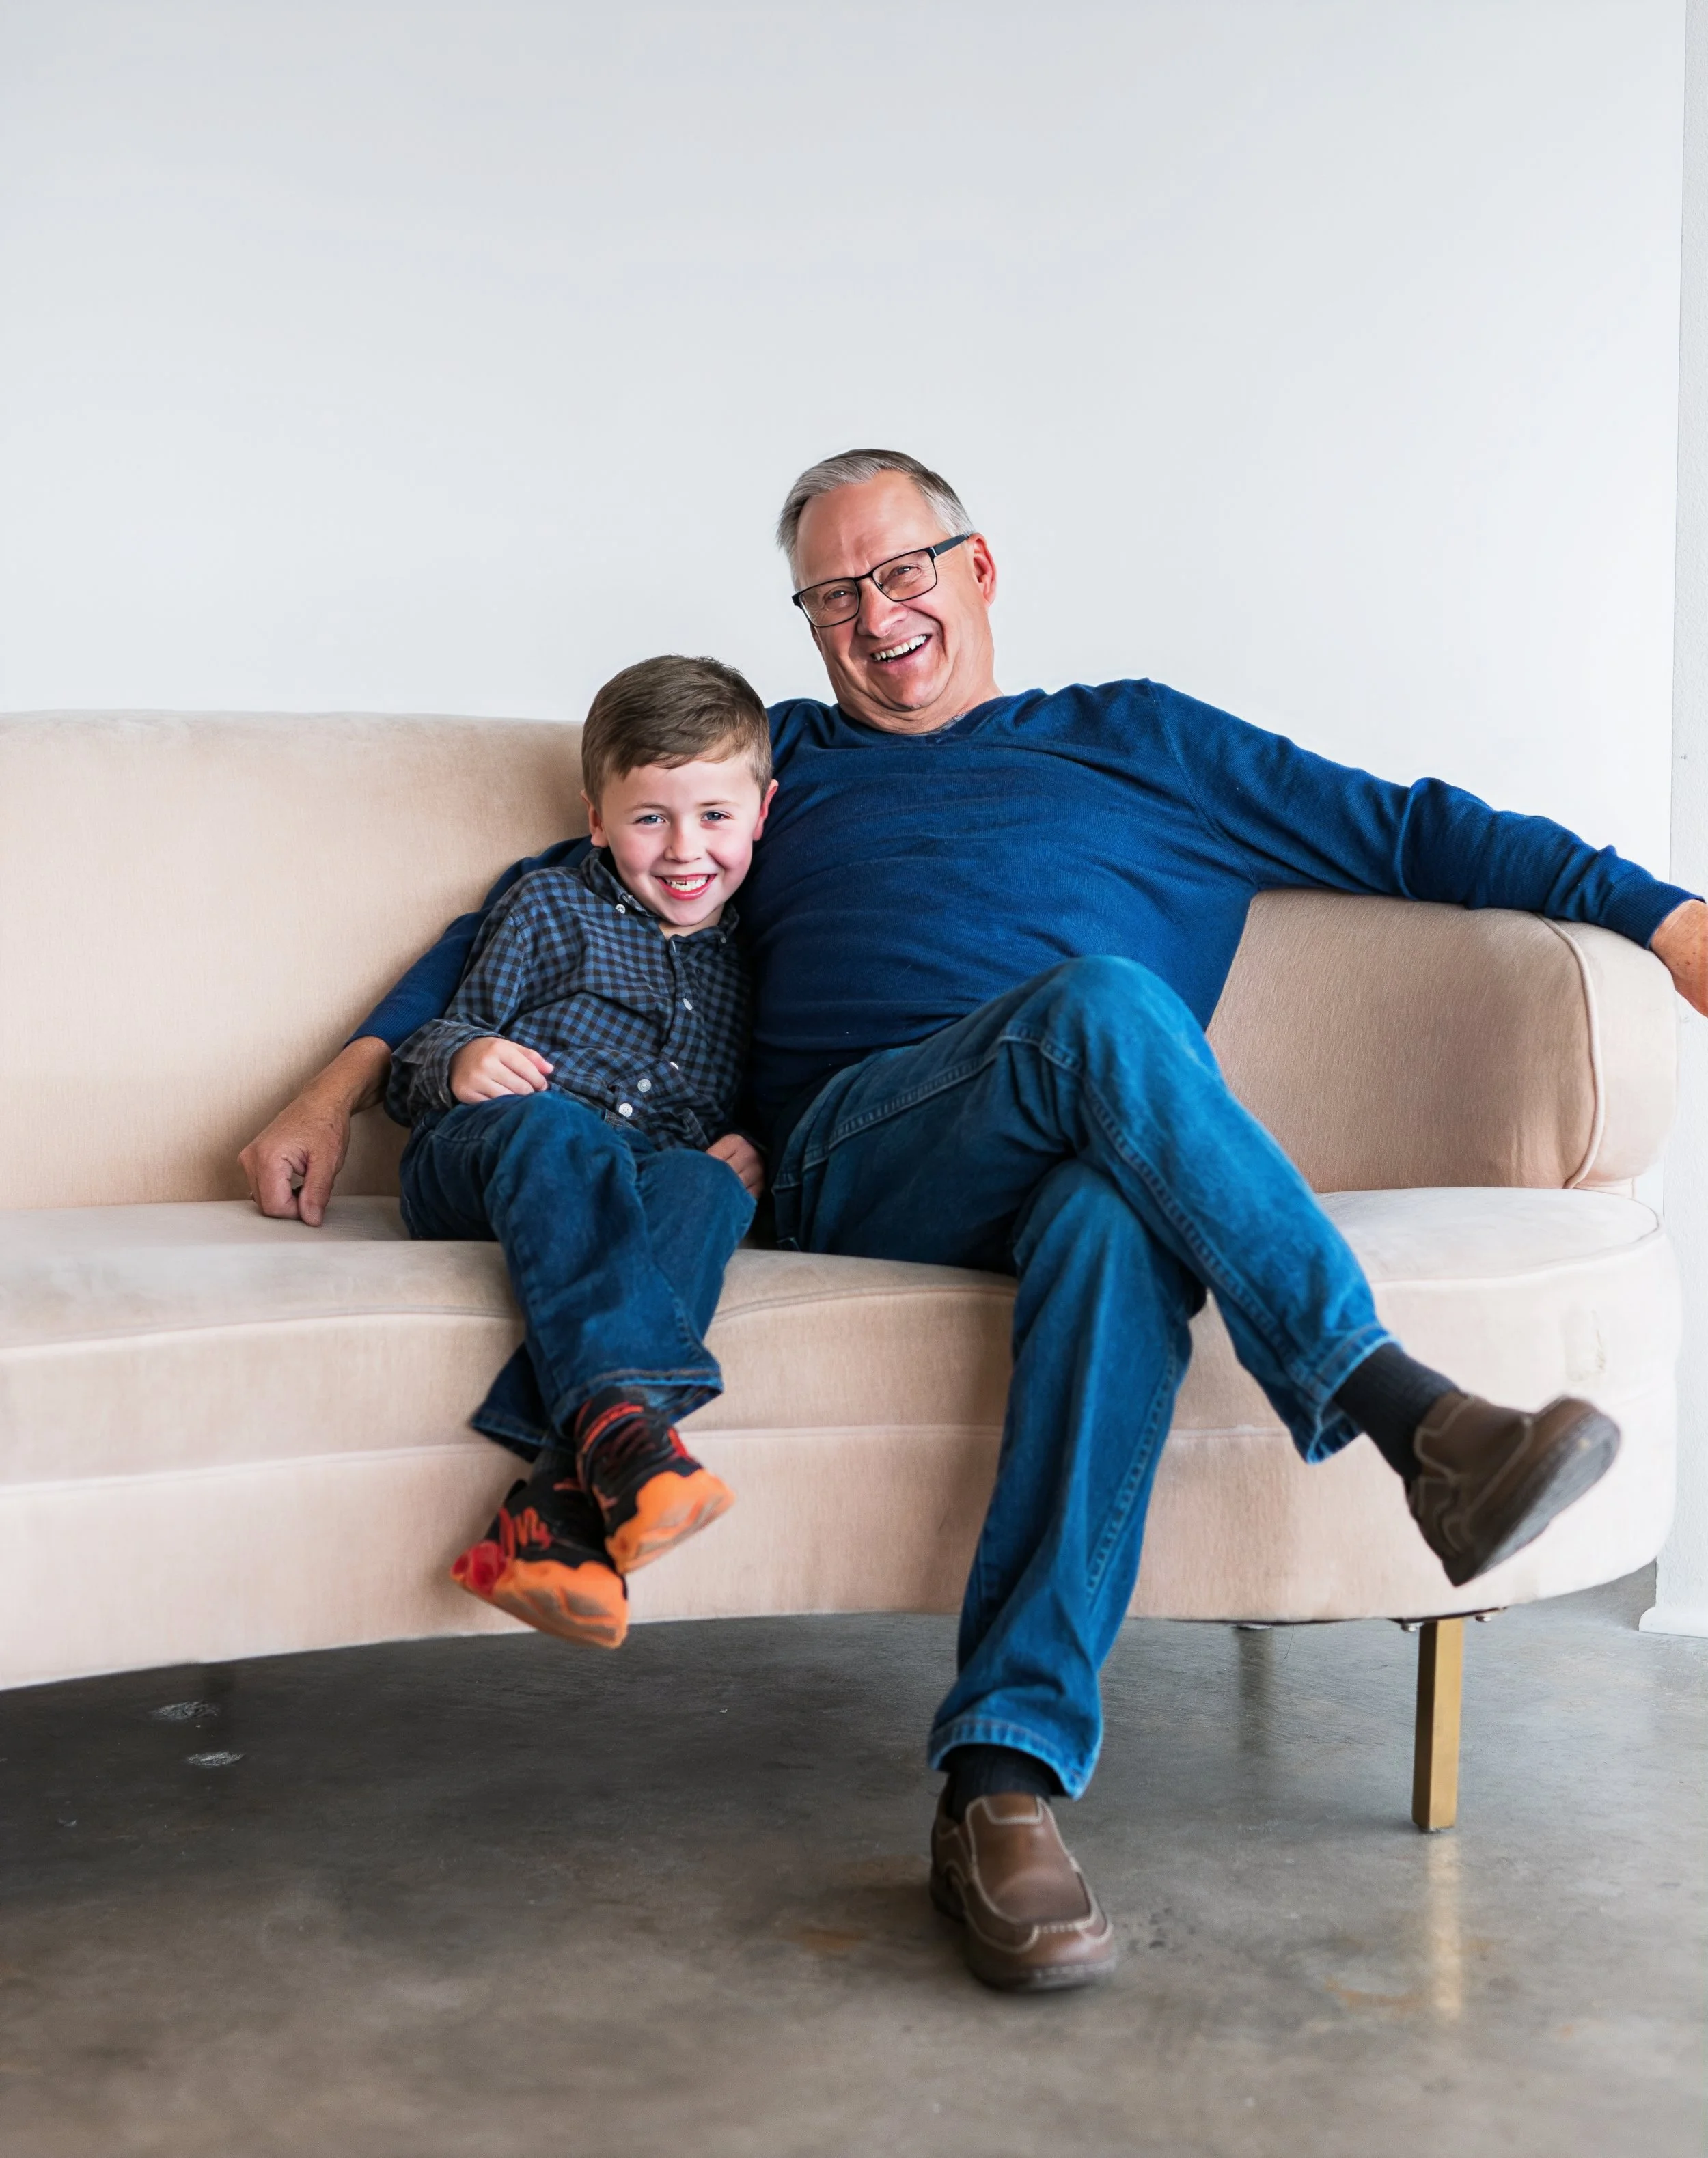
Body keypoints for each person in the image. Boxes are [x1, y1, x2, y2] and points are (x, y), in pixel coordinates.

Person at [243, 449, 1707, 1994]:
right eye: (829, 596)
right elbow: (536, 907)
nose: (873, 620)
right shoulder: (783, 766)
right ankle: (1402, 1411)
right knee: (1101, 1008)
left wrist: (1665, 919)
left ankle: (997, 1790)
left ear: (978, 567)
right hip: (852, 1161)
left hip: (1081, 1147)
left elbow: (1411, 828)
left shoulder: (1145, 740)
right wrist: (337, 1085)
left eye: (900, 574)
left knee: (1109, 1223)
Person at [387, 654, 775, 1652]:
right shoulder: (547, 906)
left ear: (762, 811)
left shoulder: (754, 964)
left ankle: (558, 1511)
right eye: (650, 817)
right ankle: (619, 1427)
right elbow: (426, 1050)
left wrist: (745, 1155)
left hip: (633, 1177)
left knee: (701, 1184)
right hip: (492, 1155)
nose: (685, 848)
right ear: (598, 818)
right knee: (564, 1127)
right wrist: (464, 1058)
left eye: (714, 817)